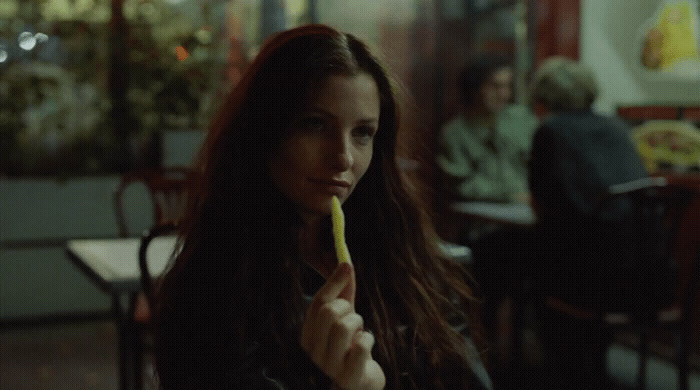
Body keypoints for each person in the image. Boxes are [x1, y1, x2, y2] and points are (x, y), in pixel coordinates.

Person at [153, 24, 492, 390]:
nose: (343, 158)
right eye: (315, 125)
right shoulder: (213, 285)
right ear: (264, 130)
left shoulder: (405, 253)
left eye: (362, 132)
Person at [472, 56, 652, 389]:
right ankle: (586, 362)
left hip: (586, 279)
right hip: (645, 274)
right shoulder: (616, 126)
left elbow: (541, 208)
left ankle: (501, 362)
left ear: (543, 97)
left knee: (491, 252)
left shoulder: (550, 131)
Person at [436, 54, 538, 205]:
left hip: (529, 212)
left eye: (507, 86)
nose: (503, 94)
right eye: (495, 86)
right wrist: (510, 196)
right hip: (485, 217)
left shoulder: (522, 120)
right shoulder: (455, 133)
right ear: (474, 88)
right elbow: (461, 184)